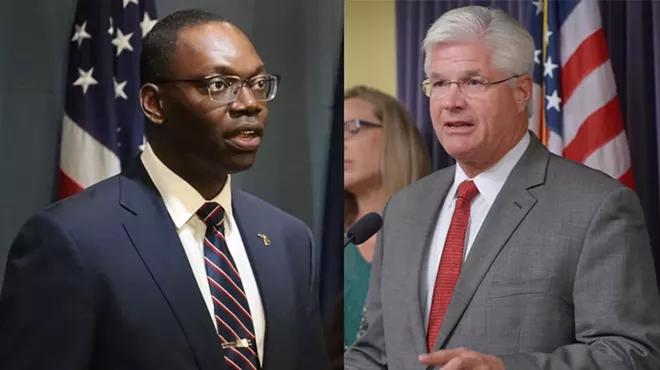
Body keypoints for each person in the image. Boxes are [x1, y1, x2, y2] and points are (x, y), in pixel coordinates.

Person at [0, 9, 329, 370]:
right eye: (220, 85)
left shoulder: (289, 240)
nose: (250, 103)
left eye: (258, 83)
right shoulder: (70, 240)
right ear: (155, 104)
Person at [345, 5, 660, 370]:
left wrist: (505, 368)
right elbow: (375, 351)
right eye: (440, 83)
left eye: (473, 82)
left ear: (521, 91)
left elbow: (632, 353)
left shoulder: (596, 206)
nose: (451, 101)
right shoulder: (403, 208)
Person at [343, 85, 430, 350]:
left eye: (352, 128)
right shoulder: (326, 242)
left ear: (394, 135)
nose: (340, 141)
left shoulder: (439, 233)